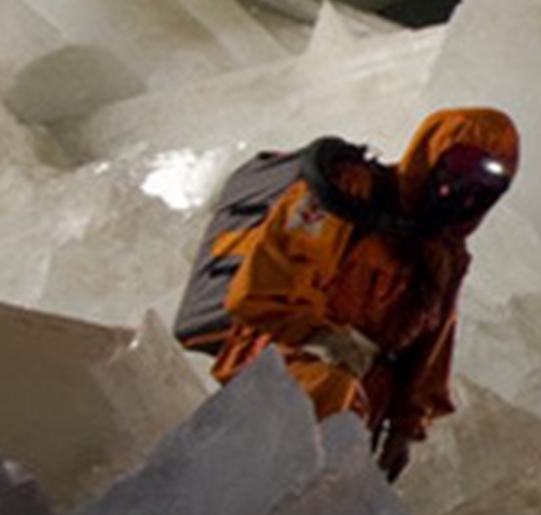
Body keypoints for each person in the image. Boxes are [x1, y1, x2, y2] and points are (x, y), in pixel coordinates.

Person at [210, 107, 520, 481]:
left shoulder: (444, 256)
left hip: (357, 404)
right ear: (433, 151)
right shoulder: (349, 190)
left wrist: (405, 428)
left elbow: (432, 350)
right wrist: (321, 337)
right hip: (281, 364)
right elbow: (266, 282)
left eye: (488, 181)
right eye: (464, 164)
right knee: (325, 400)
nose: (467, 185)